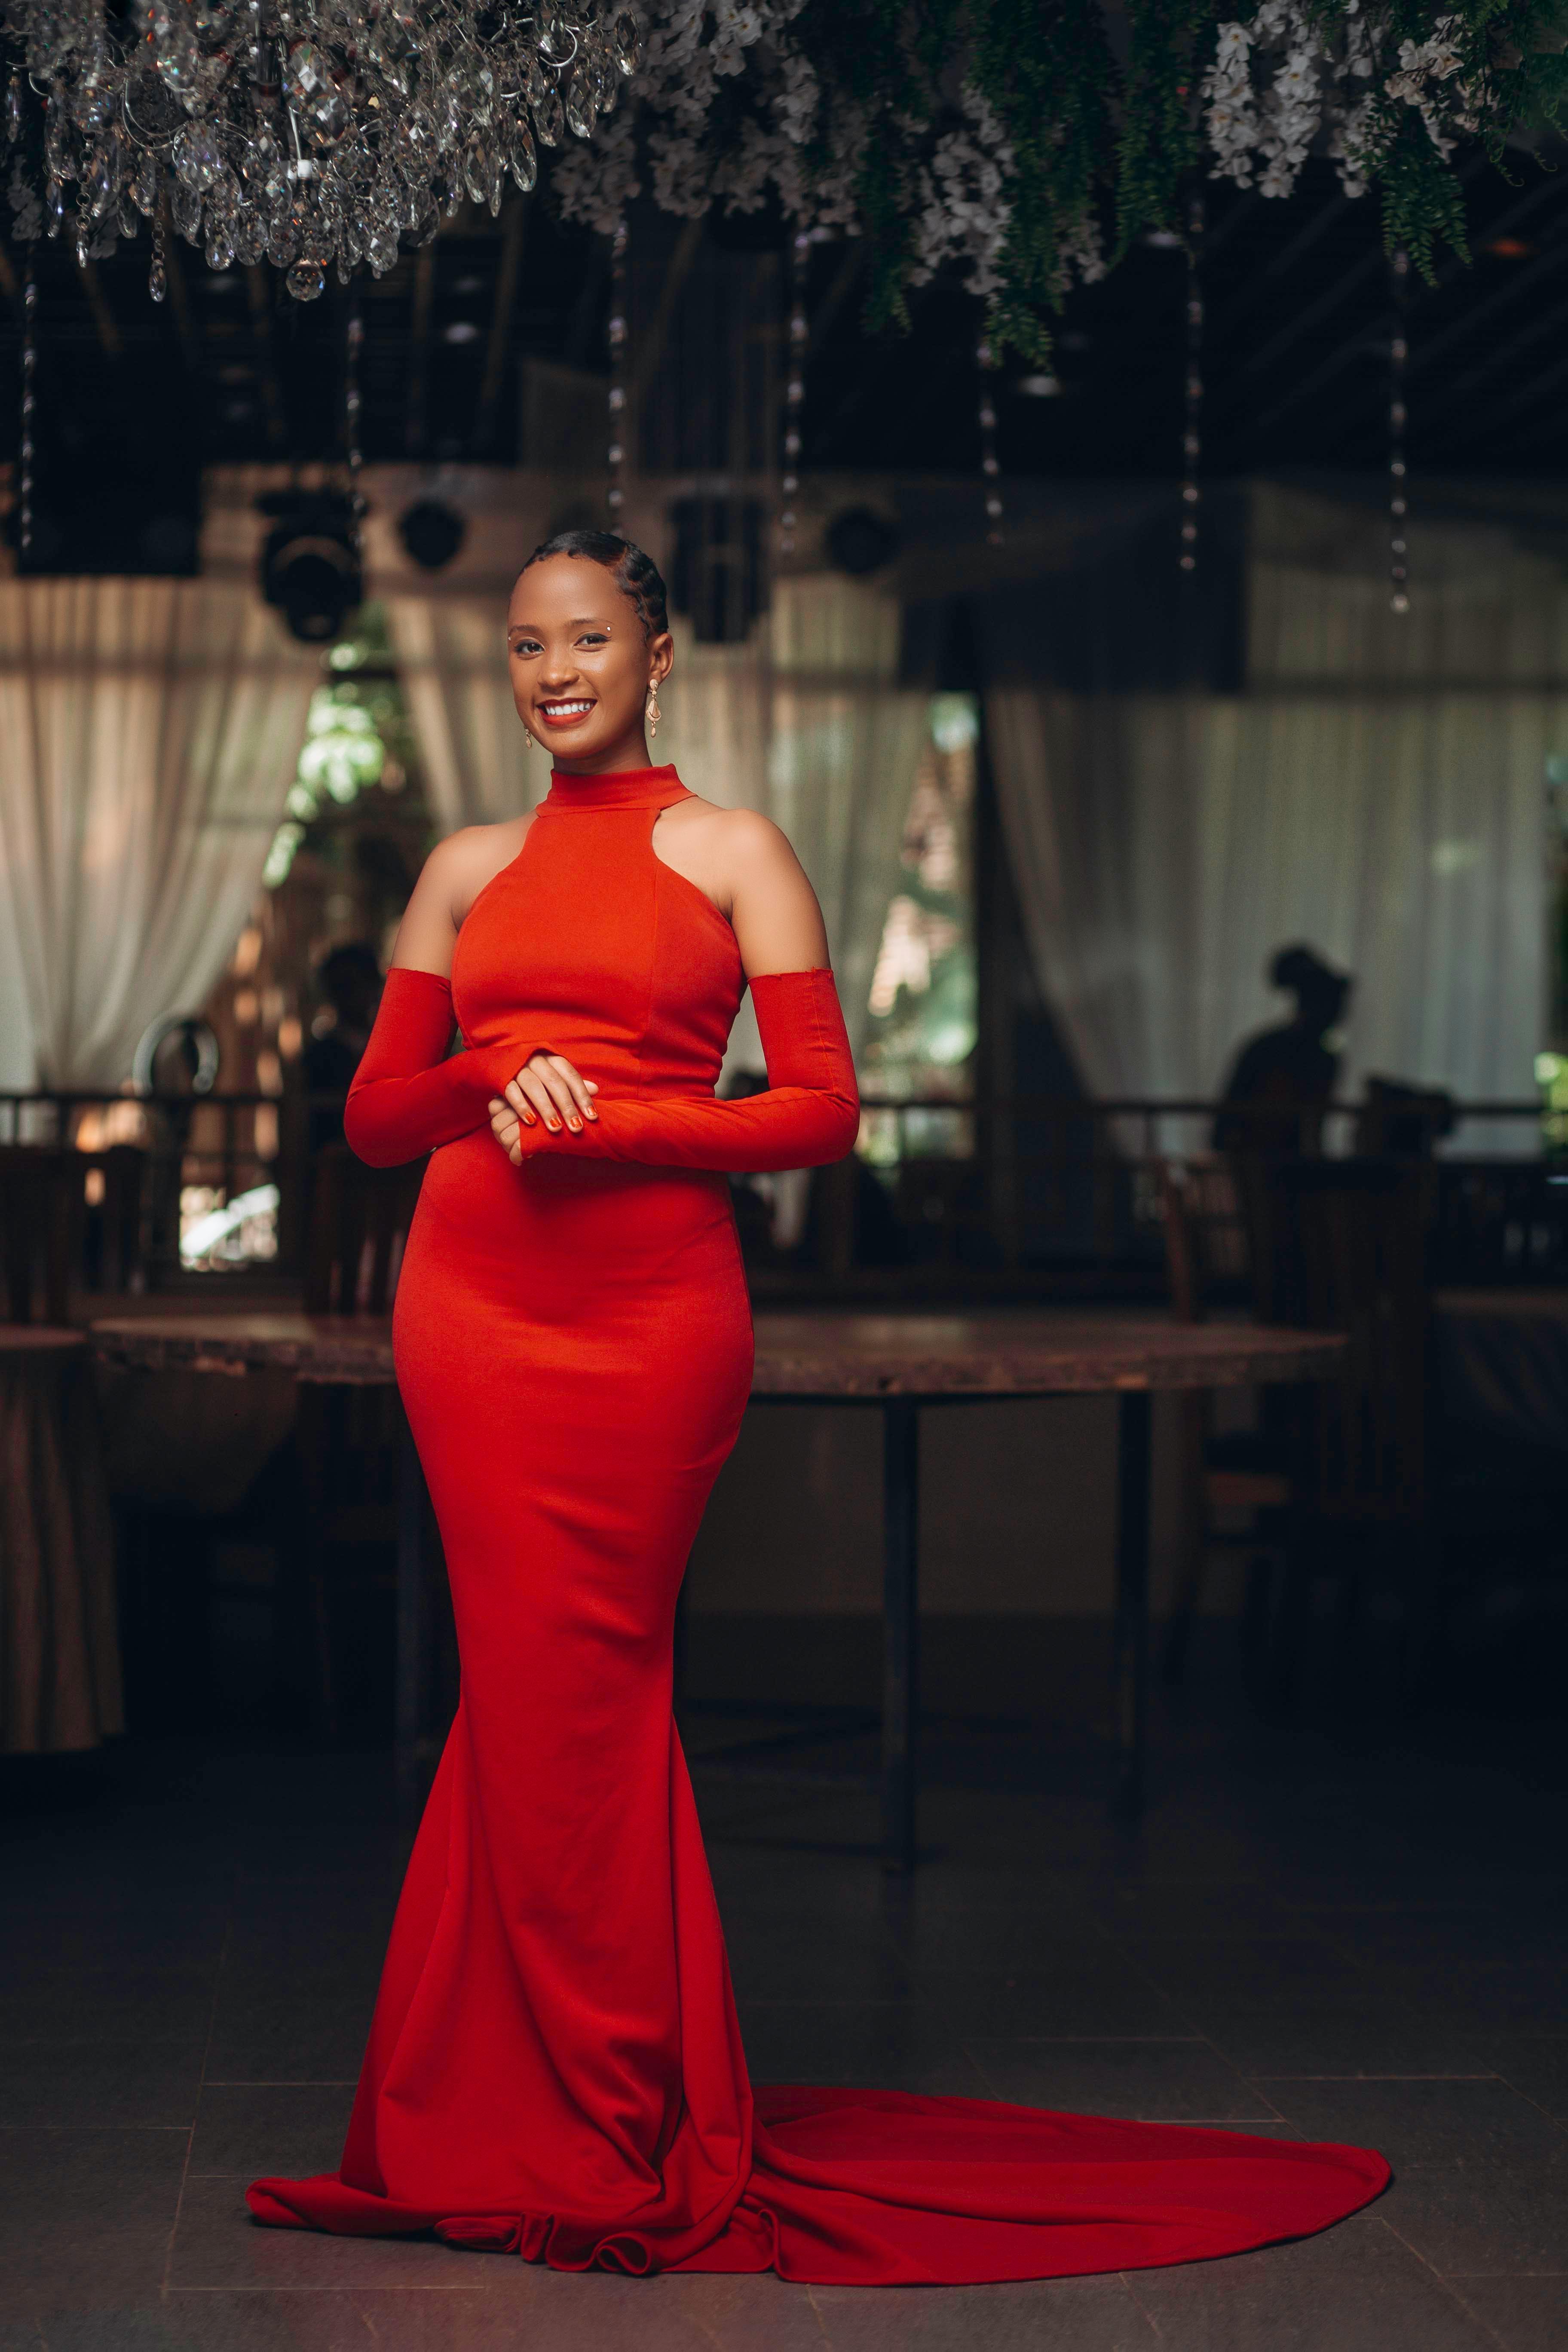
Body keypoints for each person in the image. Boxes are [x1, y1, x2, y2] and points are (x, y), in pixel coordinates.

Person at [248, 533, 1387, 2282]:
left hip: (648, 1324)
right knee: (520, 1691)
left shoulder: (737, 852)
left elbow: (825, 1109)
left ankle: (606, 2108)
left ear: (660, 652)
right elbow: (377, 1121)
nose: (555, 669)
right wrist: (486, 1069)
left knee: (597, 1691)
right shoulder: (465, 870)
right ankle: (499, 2104)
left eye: (589, 638)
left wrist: (619, 1120)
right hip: (470, 1312)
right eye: (524, 644)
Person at [1213, 943, 1353, 1157]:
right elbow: (1228, 1126)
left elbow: (1313, 1127)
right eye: (1331, 1004)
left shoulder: (1324, 1058)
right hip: (1258, 1165)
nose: (1338, 1013)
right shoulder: (1268, 1050)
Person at [302, 943, 384, 1150]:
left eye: (358, 984)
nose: (354, 996)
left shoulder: (389, 1046)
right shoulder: (319, 1057)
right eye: (344, 986)